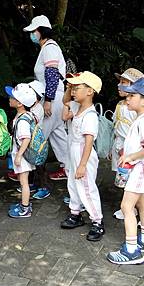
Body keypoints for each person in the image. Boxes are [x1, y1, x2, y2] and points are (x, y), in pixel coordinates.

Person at [107, 78, 144, 265]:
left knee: (126, 207)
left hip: (138, 171)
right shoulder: (143, 119)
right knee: (143, 204)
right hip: (141, 171)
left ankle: (131, 250)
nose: (127, 99)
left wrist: (131, 157)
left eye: (132, 96)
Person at [23, 15, 69, 183]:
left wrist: (48, 100)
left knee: (38, 134)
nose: (32, 34)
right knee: (58, 134)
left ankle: (30, 172)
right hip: (56, 97)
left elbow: (52, 75)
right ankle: (68, 167)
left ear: (41, 31)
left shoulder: (49, 48)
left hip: (52, 98)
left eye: (33, 31)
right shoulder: (48, 48)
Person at [110, 68, 144, 227]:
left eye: (124, 82)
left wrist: (131, 155)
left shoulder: (142, 115)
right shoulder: (121, 105)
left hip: (136, 157)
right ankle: (138, 213)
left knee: (138, 192)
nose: (120, 86)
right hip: (124, 149)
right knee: (126, 182)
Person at [60, 72, 105, 241]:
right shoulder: (77, 107)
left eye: (77, 88)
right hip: (73, 151)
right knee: (72, 183)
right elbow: (64, 110)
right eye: (73, 88)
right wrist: (69, 89)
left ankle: (97, 221)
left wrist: (82, 165)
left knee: (86, 187)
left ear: (90, 91)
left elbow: (88, 141)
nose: (73, 91)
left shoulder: (90, 115)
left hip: (83, 154)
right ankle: (75, 213)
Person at [7, 83, 38, 218]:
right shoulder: (27, 115)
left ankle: (25, 208)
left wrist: (19, 156)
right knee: (22, 180)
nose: (9, 98)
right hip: (24, 154)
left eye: (12, 97)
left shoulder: (22, 120)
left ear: (19, 103)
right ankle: (24, 204)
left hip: (23, 155)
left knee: (24, 182)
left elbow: (26, 138)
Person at [27, 80, 50, 200]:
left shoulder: (38, 108)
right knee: (31, 164)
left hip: (37, 142)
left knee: (40, 165)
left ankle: (44, 188)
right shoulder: (31, 107)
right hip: (30, 141)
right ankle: (31, 184)